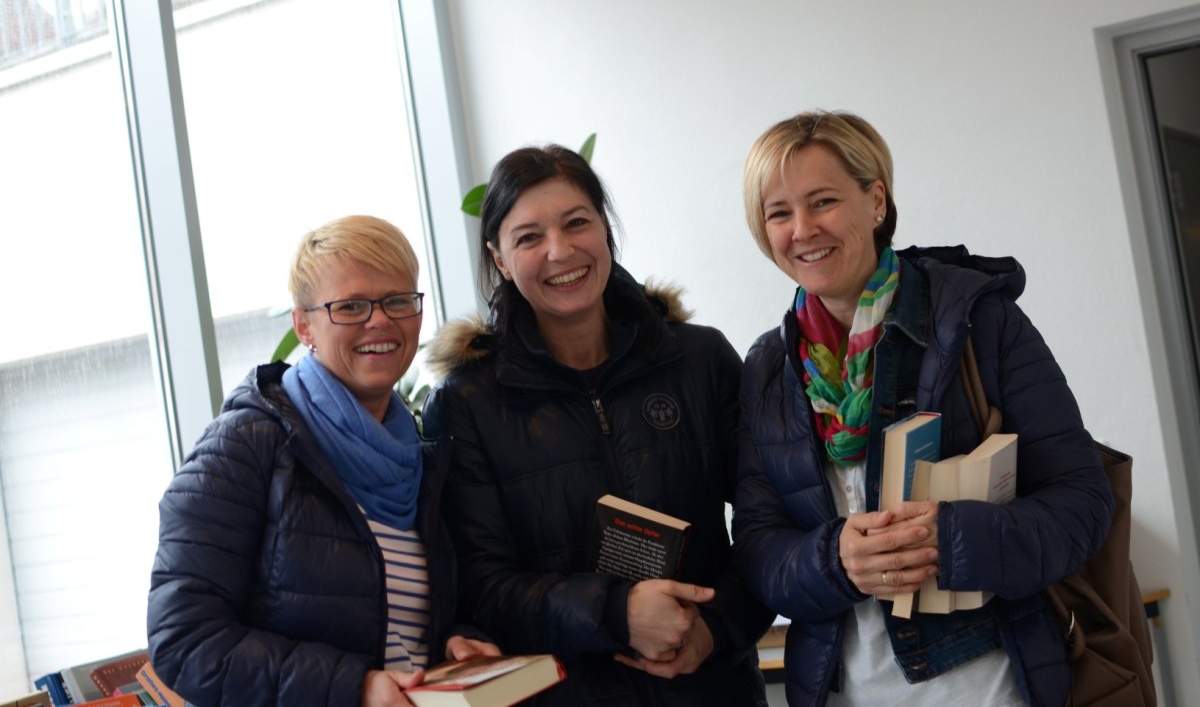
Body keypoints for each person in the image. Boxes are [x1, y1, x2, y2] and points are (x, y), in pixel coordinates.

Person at [733, 110, 1115, 707]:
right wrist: (836, 560)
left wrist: (952, 539)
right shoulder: (767, 368)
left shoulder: (979, 322)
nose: (802, 229)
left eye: (823, 201)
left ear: (876, 201)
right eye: (779, 213)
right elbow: (759, 550)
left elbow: (1084, 504)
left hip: (991, 690)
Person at [421, 145, 774, 705]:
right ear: (500, 259)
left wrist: (714, 627)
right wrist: (613, 613)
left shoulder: (699, 360)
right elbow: (479, 589)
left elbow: (769, 524)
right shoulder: (467, 403)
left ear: (604, 227)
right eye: (529, 237)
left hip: (712, 690)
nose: (560, 251)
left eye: (576, 223)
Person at [147, 215, 497, 707]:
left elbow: (395, 621)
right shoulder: (242, 447)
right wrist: (352, 688)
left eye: (398, 300)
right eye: (350, 306)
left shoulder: (420, 458)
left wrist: (454, 639)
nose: (380, 320)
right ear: (303, 325)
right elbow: (183, 642)